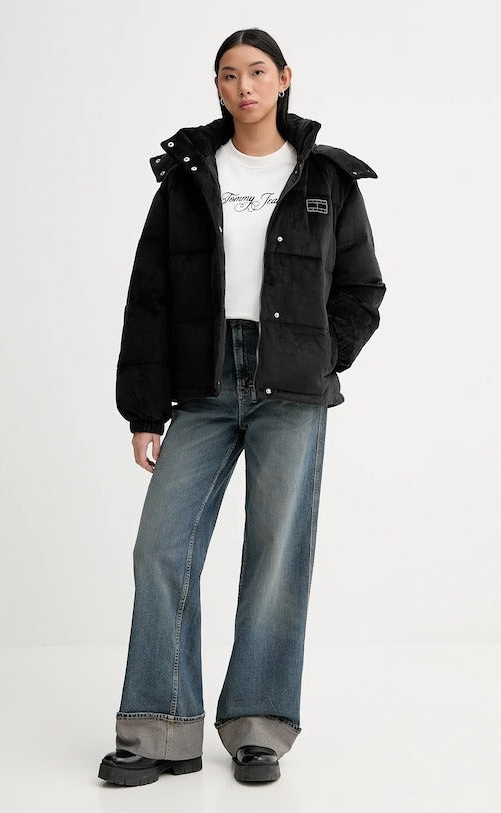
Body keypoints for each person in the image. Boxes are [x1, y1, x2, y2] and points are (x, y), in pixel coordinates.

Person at [98, 27, 386, 786]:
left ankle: (258, 727)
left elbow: (362, 288)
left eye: (257, 72)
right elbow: (149, 295)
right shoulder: (188, 175)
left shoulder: (326, 177)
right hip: (203, 380)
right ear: (218, 86)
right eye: (229, 74)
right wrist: (144, 411)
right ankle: (161, 730)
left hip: (291, 387)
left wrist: (320, 356)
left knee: (274, 558)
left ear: (285, 78)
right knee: (161, 548)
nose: (244, 87)